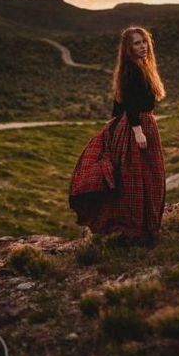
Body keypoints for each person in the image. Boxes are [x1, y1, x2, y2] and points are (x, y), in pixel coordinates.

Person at [68, 26, 166, 247]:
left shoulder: (137, 67)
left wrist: (114, 124)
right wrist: (138, 130)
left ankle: (141, 228)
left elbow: (119, 101)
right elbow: (130, 103)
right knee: (143, 179)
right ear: (128, 49)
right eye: (136, 43)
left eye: (144, 42)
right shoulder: (133, 69)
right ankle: (140, 231)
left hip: (136, 124)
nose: (142, 46)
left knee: (142, 179)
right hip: (137, 128)